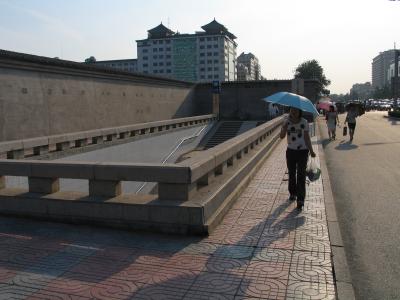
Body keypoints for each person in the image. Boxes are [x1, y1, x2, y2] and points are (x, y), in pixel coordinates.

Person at [280, 107, 316, 210]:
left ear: (300, 112)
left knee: (301, 175)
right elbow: (281, 136)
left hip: (303, 152)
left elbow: (306, 137)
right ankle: (292, 193)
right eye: (292, 110)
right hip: (291, 151)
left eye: (296, 111)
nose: (294, 112)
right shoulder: (286, 122)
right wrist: (284, 128)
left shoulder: (304, 122)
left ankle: (300, 199)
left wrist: (312, 151)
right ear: (290, 111)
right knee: (291, 174)